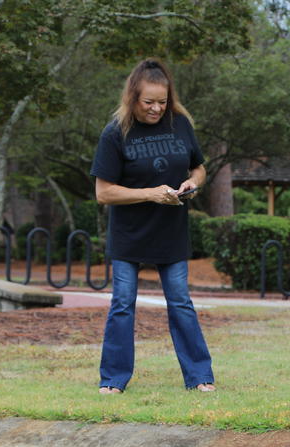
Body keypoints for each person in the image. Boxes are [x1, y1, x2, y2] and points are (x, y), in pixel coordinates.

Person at [90, 58, 214, 394]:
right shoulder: (116, 132)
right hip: (129, 236)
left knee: (181, 303)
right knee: (123, 304)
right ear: (133, 97)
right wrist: (150, 194)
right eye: (149, 102)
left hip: (170, 233)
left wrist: (192, 182)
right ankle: (113, 380)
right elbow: (103, 192)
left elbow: (199, 168)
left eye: (162, 101)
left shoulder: (180, 124)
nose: (156, 109)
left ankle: (200, 376)